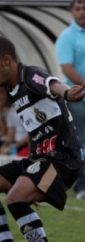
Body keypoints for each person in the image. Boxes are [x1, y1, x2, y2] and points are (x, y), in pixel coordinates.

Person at [0, 36, 85, 242]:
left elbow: (52, 84)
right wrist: (30, 173)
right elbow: (35, 127)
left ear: (6, 60)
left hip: (63, 159)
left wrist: (68, 94)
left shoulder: (29, 75)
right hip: (41, 158)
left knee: (15, 198)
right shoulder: (11, 88)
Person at [55, 0, 85, 200]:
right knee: (81, 141)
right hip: (77, 97)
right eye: (78, 8)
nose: (82, 12)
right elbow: (66, 68)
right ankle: (81, 186)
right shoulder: (67, 37)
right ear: (71, 11)